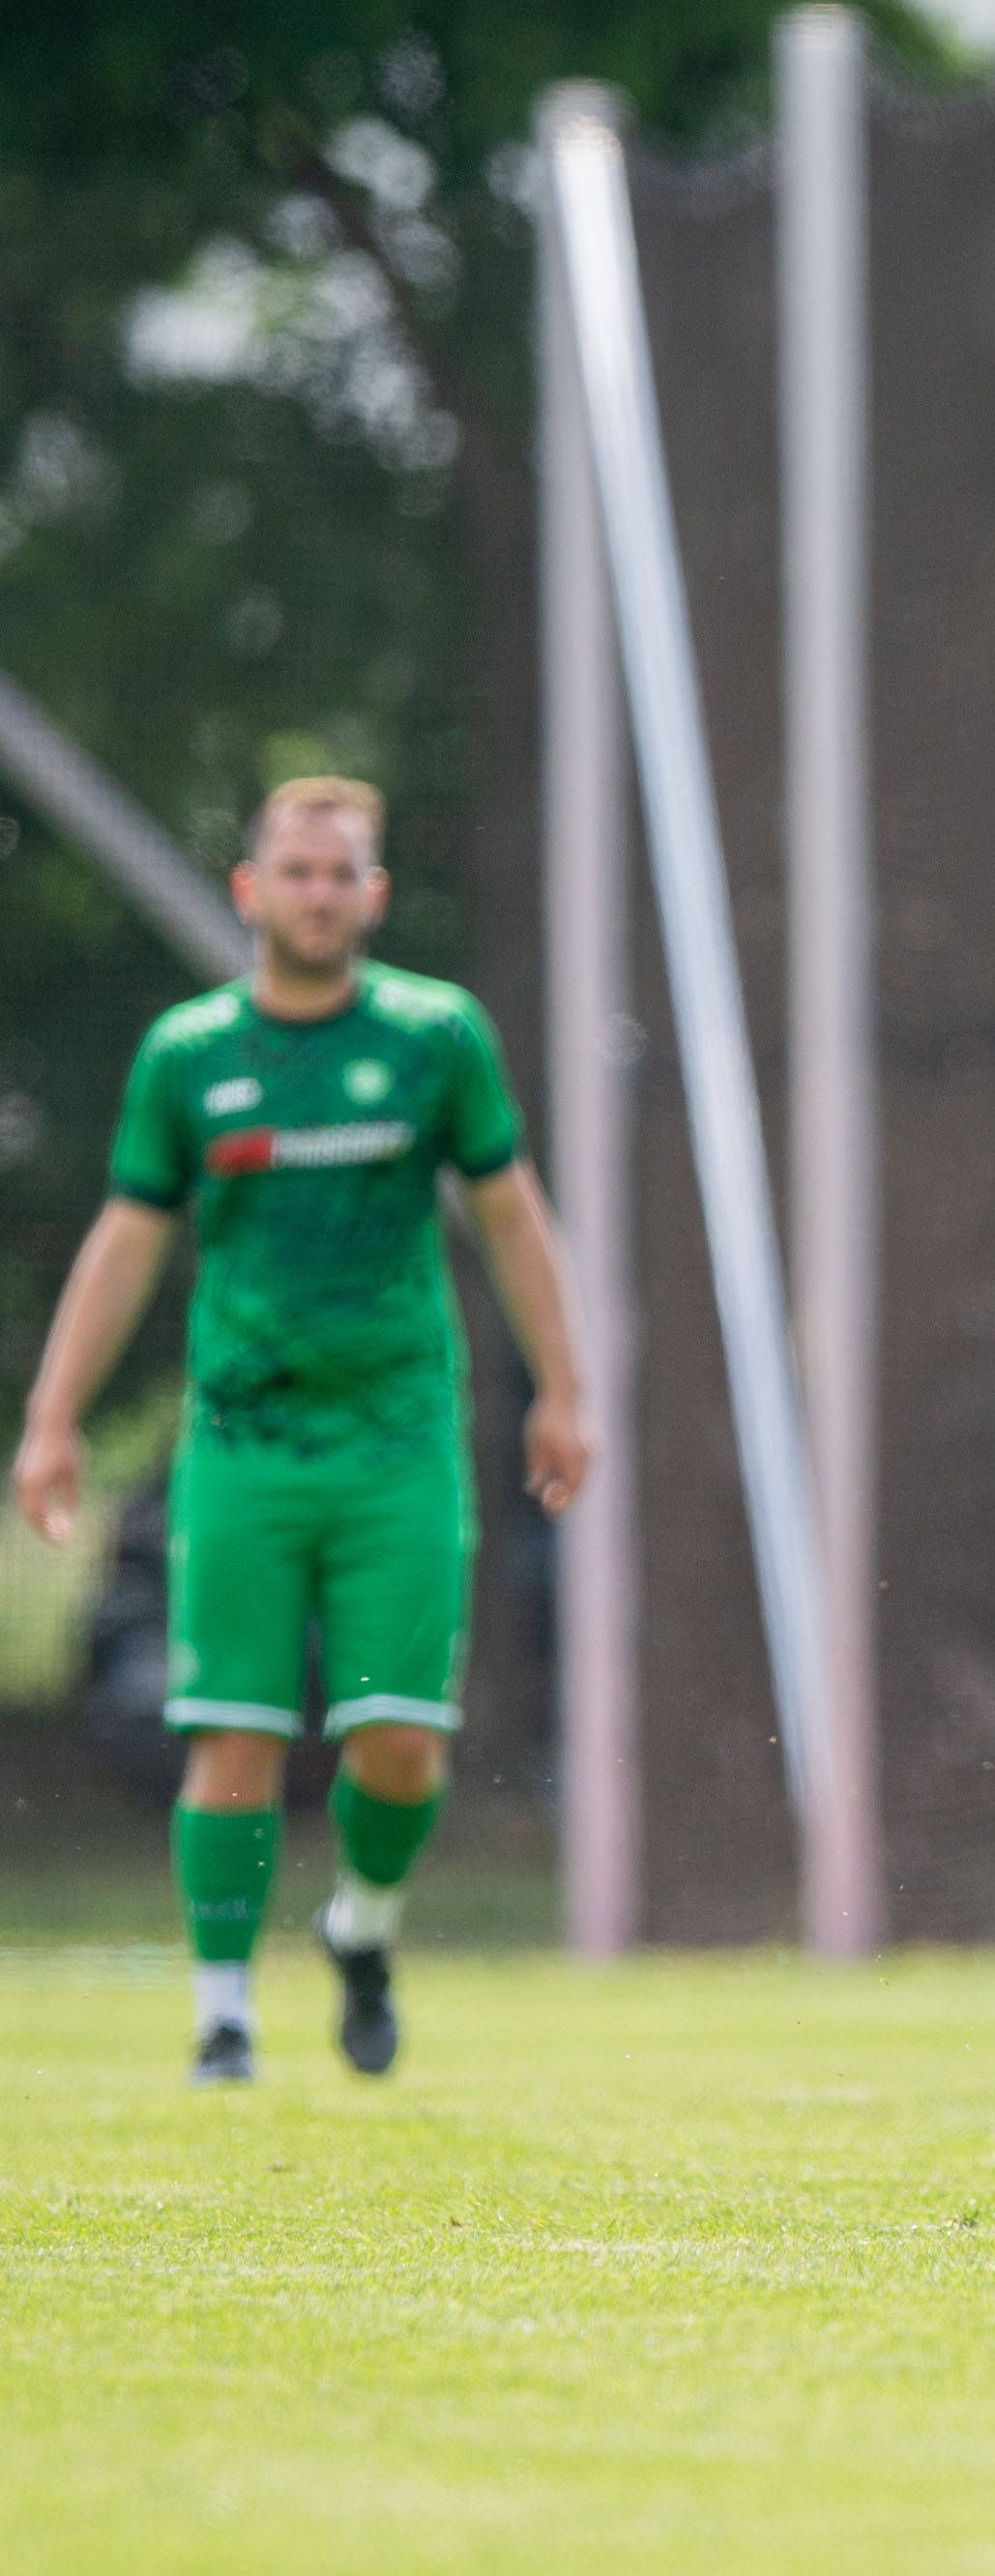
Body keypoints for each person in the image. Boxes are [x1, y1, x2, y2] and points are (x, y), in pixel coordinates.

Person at [12, 778, 592, 2085]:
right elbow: (127, 1237)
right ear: (252, 890)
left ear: (373, 895)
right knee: (232, 1733)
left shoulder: (436, 1037)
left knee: (399, 1739)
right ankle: (223, 2016)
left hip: (399, 1440)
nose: (318, 895)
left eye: (341, 875)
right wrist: (52, 1416)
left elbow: (509, 1212)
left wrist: (563, 1387)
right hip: (242, 1446)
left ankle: (361, 1927)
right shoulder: (188, 1055)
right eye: (297, 872)